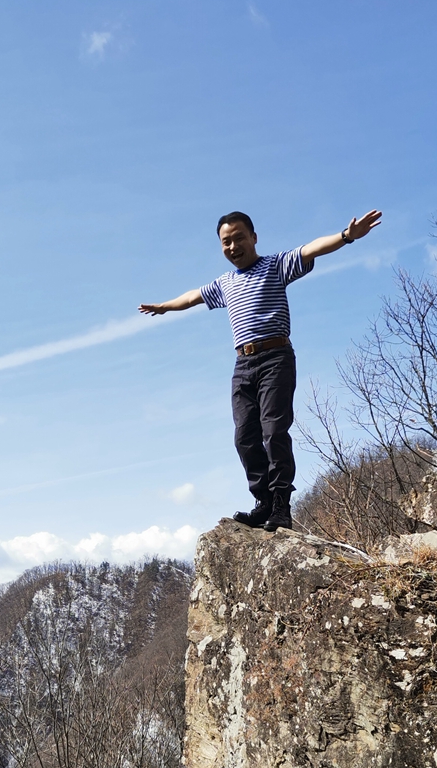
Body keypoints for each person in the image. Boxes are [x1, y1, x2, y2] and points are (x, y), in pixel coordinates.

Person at [139, 208, 382, 530]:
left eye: (239, 238)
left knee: (274, 432)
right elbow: (193, 297)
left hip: (275, 357)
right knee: (245, 437)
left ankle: (282, 505)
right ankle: (263, 501)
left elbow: (311, 249)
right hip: (243, 364)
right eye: (226, 242)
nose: (233, 246)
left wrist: (347, 236)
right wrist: (165, 306)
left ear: (253, 237)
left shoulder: (275, 265)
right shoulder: (225, 283)